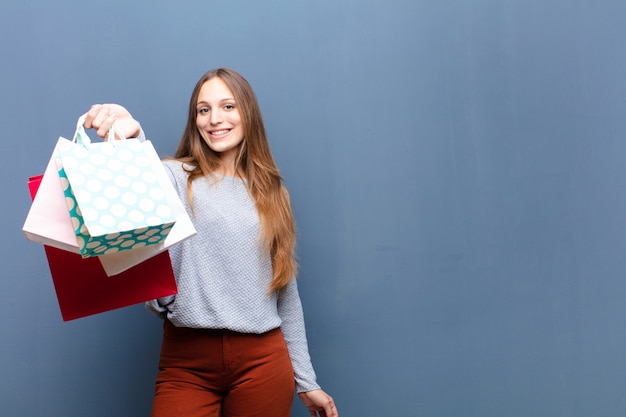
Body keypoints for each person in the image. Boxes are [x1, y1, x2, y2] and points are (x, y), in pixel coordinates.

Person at [83, 68, 338, 417]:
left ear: (248, 113)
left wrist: (306, 382)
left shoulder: (274, 193)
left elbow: (285, 291)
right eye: (204, 110)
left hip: (263, 361)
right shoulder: (175, 176)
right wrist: (133, 136)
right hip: (186, 359)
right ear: (195, 120)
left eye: (227, 106)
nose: (214, 119)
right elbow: (141, 187)